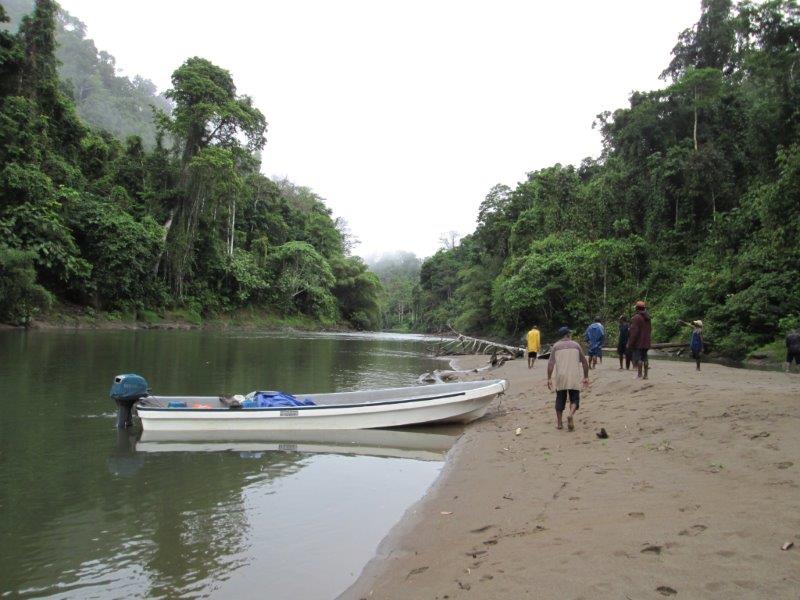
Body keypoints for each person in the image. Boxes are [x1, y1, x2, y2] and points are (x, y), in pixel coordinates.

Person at [547, 326, 590, 431]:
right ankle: (570, 414)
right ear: (568, 335)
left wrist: (549, 378)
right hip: (574, 376)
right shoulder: (576, 345)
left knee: (560, 399)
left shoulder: (556, 346)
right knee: (574, 398)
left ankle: (559, 424)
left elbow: (551, 363)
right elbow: (584, 362)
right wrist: (586, 376)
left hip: (560, 377)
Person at [627, 300, 652, 380]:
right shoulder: (648, 318)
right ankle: (646, 375)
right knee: (645, 358)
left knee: (639, 358)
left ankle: (639, 375)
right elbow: (650, 329)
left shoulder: (636, 318)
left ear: (637, 308)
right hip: (646, 342)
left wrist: (630, 343)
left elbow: (634, 332)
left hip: (639, 342)